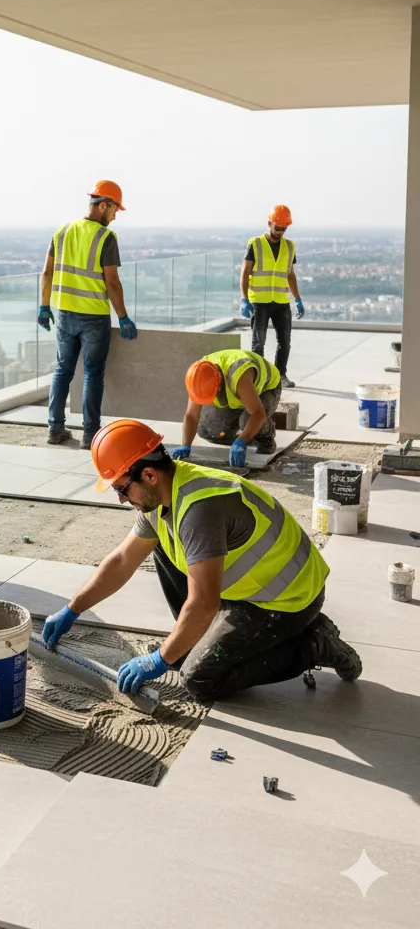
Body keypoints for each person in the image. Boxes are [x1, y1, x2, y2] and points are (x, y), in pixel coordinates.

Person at [41, 419, 362, 702]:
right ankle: (203, 636)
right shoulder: (166, 493)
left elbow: (203, 603)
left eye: (122, 488)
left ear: (149, 474)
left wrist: (160, 660)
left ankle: (316, 643)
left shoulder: (200, 510)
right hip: (245, 590)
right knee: (161, 553)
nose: (122, 498)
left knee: (200, 678)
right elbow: (124, 560)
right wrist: (73, 608)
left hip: (285, 599)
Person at [39, 179, 137, 448]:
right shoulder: (105, 237)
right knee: (93, 375)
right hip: (93, 317)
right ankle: (90, 434)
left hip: (65, 314)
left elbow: (47, 273)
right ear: (103, 205)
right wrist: (124, 317)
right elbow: (112, 282)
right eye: (115, 209)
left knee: (62, 371)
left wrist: (44, 306)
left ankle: (55, 429)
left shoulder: (62, 231)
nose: (116, 216)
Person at [173, 350, 282, 468]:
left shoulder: (239, 376)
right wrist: (185, 444)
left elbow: (257, 413)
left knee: (247, 422)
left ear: (219, 386)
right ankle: (248, 430)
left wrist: (242, 441)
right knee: (207, 431)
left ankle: (266, 433)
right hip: (240, 394)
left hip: (267, 389)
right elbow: (192, 415)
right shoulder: (198, 376)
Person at [240, 204, 305, 388]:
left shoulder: (289, 246)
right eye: (277, 228)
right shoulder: (256, 244)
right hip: (259, 302)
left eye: (283, 229)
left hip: (281, 302)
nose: (280, 232)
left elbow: (290, 274)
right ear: (270, 223)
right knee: (258, 343)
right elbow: (245, 272)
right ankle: (258, 379)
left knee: (284, 342)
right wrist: (244, 299)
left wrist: (298, 299)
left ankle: (280, 376)